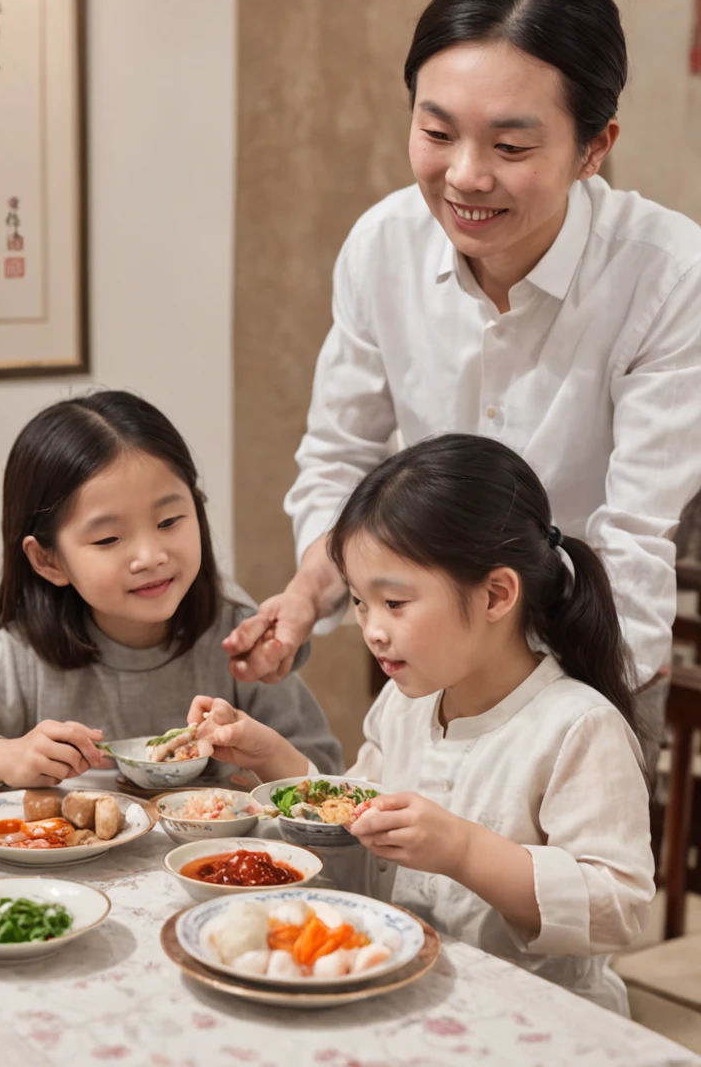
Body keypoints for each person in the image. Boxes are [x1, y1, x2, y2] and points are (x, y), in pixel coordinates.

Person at [223, 0, 701, 775]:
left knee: (560, 899)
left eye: (511, 144)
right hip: (424, 667)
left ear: (596, 148)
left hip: (592, 667)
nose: (465, 177)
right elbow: (343, 460)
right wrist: (310, 594)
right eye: (437, 133)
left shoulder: (669, 275)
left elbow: (634, 539)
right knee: (395, 894)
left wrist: (553, 729)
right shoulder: (383, 246)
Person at [192, 435, 654, 1015]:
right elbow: (356, 826)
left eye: (395, 603)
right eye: (360, 602)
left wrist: (463, 850)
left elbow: (617, 908)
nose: (373, 630)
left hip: (536, 1018)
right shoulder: (404, 705)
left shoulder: (578, 727)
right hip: (409, 996)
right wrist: (270, 757)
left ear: (496, 595)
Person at [0, 391, 342, 786]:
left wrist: (262, 765)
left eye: (169, 521)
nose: (150, 556)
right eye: (108, 539)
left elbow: (323, 770)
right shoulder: (26, 658)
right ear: (49, 559)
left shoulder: (237, 638)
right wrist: (5, 757)